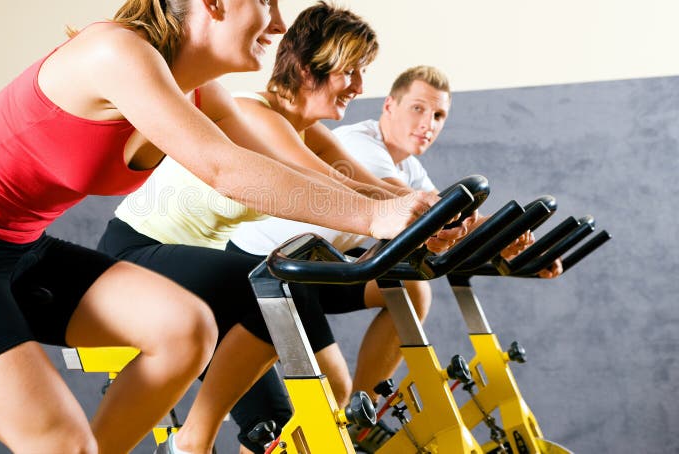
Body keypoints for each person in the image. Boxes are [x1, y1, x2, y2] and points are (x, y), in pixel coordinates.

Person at [0, 0, 432, 454]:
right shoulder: (115, 53)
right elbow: (224, 167)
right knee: (59, 441)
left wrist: (402, 209)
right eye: (266, 0)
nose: (279, 23)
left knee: (185, 328)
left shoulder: (193, 85)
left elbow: (284, 163)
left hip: (19, 249)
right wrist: (372, 214)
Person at [98, 3, 465, 454]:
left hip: (201, 268)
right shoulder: (253, 114)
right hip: (140, 255)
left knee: (276, 423)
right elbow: (326, 184)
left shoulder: (305, 128)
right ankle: (188, 444)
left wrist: (446, 216)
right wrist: (407, 214)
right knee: (279, 291)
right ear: (312, 66)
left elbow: (366, 187)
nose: (359, 86)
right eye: (350, 70)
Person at [229, 65, 563, 452]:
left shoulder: (410, 166)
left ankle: (359, 421)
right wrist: (492, 230)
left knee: (408, 292)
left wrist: (513, 245)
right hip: (272, 268)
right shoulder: (361, 145)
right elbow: (423, 216)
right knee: (277, 421)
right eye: (419, 109)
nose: (428, 124)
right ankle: (355, 420)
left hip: (319, 269)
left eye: (438, 116)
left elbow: (448, 226)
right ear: (390, 105)